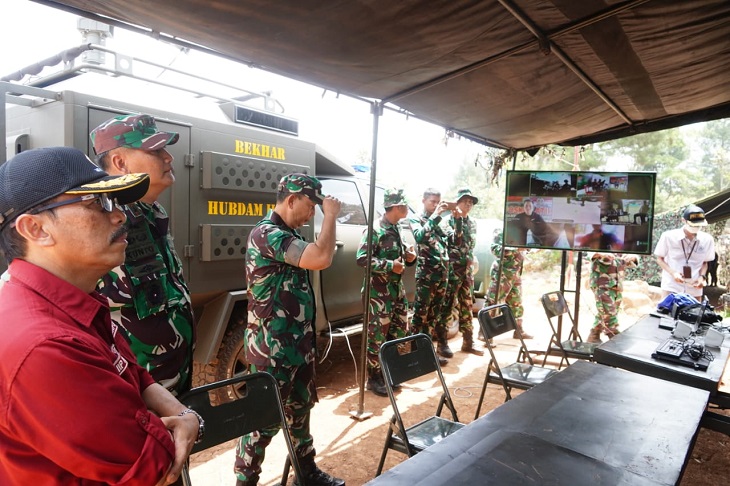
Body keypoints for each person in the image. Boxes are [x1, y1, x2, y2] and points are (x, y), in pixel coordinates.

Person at [0, 147, 201, 484]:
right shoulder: (44, 346)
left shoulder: (70, 302)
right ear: (36, 229)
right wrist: (185, 421)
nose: (120, 215)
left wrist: (181, 414)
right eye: (97, 203)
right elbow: (154, 465)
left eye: (116, 202)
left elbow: (131, 372)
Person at [235, 174, 344, 486]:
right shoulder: (266, 234)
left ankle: (306, 473)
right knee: (261, 422)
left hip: (296, 346)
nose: (312, 214)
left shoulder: (287, 234)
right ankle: (246, 481)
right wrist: (332, 215)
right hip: (270, 350)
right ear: (291, 199)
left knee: (300, 411)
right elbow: (321, 257)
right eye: (310, 206)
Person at [90, 114, 195, 396]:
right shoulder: (99, 220)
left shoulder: (152, 212)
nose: (169, 157)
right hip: (135, 391)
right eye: (155, 150)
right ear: (120, 163)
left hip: (171, 382)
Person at [356, 188, 417, 396]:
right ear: (397, 206)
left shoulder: (396, 227)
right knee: (377, 337)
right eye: (405, 205)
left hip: (396, 292)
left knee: (398, 333)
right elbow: (362, 259)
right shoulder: (375, 229)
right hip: (378, 295)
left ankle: (388, 373)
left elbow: (400, 256)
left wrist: (409, 257)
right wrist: (390, 265)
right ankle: (374, 379)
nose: (408, 208)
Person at [409, 188, 452, 364]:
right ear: (423, 200)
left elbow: (451, 239)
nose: (435, 205)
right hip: (427, 275)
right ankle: (414, 354)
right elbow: (420, 237)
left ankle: (428, 354)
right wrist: (436, 215)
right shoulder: (416, 218)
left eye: (437, 202)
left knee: (434, 315)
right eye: (432, 202)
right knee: (420, 315)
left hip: (442, 274)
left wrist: (456, 219)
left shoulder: (440, 220)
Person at [444, 188, 484, 356]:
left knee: (467, 305)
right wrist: (458, 219)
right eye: (465, 201)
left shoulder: (473, 222)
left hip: (466, 271)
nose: (468, 204)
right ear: (457, 202)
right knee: (447, 306)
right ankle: (442, 343)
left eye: (471, 202)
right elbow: (454, 240)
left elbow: (470, 245)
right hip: (452, 271)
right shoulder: (448, 221)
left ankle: (468, 341)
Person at [654, 204, 715, 299]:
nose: (696, 227)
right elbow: (659, 259)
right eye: (692, 225)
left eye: (699, 225)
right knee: (667, 312)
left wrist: (702, 277)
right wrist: (673, 273)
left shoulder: (707, 239)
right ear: (684, 221)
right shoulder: (668, 236)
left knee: (694, 313)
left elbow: (704, 263)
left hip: (694, 287)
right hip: (671, 285)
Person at [485, 231, 533, 340]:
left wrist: (529, 249)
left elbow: (525, 249)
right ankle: (484, 332)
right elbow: (495, 250)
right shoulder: (501, 232)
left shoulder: (522, 233)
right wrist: (516, 249)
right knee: (493, 301)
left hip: (515, 274)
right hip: (503, 274)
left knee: (516, 302)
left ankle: (518, 330)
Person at [587, 252, 638, 343]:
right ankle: (615, 338)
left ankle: (594, 335)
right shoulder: (601, 240)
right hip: (602, 285)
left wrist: (633, 257)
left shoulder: (623, 243)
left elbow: (632, 261)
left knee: (605, 311)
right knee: (609, 312)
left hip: (616, 286)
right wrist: (601, 254)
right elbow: (591, 254)